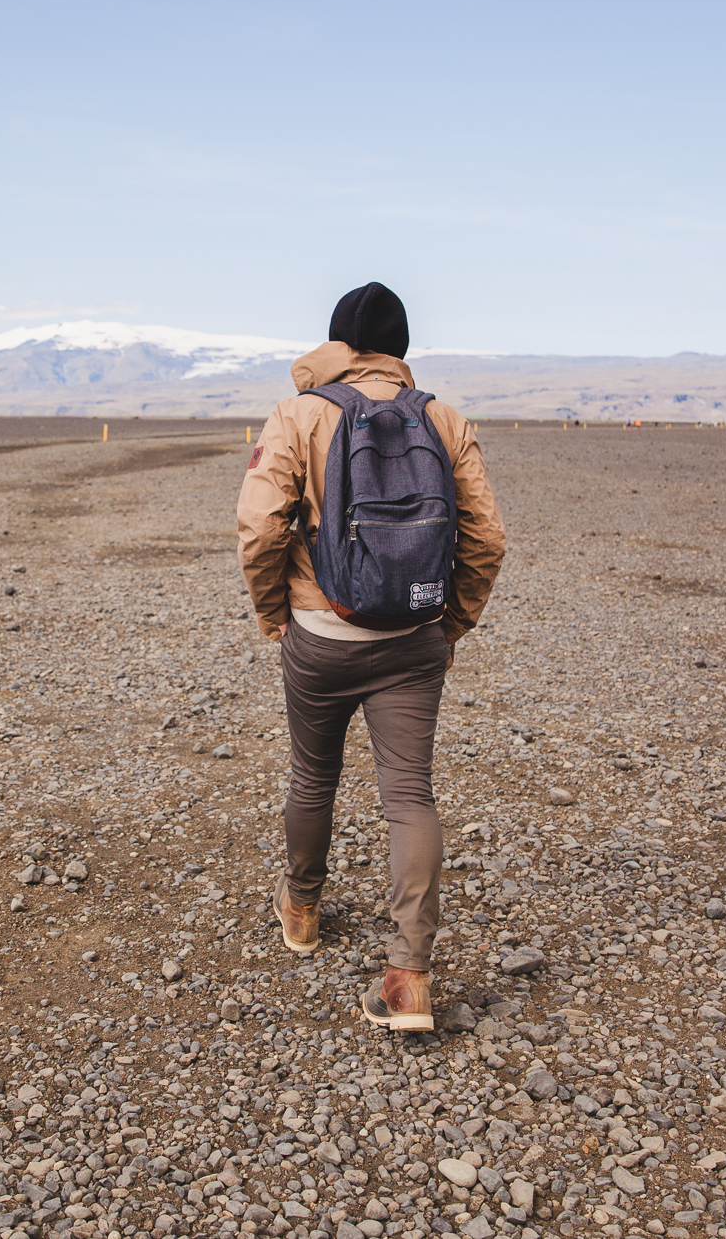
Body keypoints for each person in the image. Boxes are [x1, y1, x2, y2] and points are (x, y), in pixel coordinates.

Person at [237, 282, 507, 1032]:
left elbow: (260, 527)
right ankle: (408, 978)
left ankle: (301, 909)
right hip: (414, 639)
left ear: (339, 347)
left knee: (312, 773)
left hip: (319, 635)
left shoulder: (300, 412)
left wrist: (274, 614)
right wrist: (449, 623)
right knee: (409, 796)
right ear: (401, 348)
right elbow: (487, 538)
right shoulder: (444, 419)